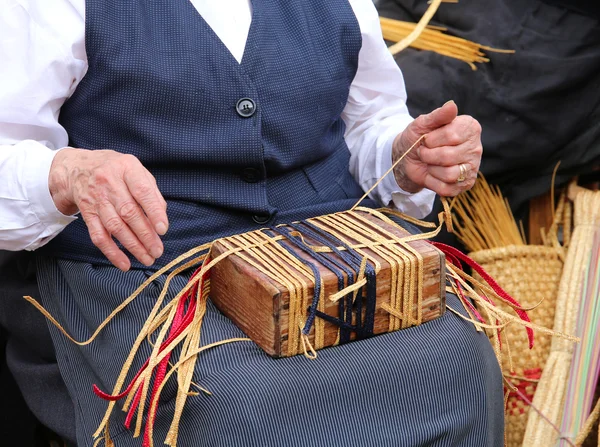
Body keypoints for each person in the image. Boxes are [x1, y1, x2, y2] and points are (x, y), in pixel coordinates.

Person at [0, 0, 502, 446]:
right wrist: (69, 173)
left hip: (325, 255)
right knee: (238, 406)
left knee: (460, 357)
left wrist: (403, 155)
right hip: (155, 271)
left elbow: (369, 121)